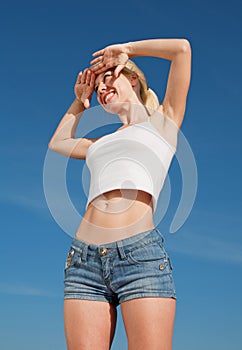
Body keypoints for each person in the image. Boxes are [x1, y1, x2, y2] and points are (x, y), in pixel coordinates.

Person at [48, 38, 191, 350]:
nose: (101, 88)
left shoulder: (164, 122)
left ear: (132, 78)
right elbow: (58, 143)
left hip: (139, 256)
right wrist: (80, 100)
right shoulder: (99, 143)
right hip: (83, 261)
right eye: (98, 87)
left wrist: (127, 49)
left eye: (107, 78)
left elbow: (182, 49)